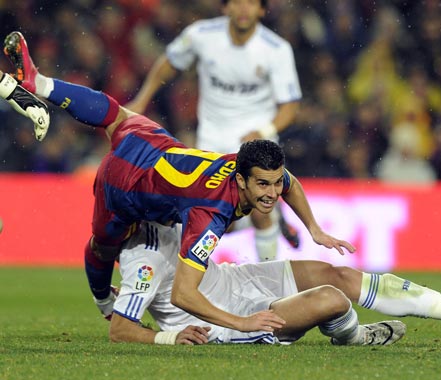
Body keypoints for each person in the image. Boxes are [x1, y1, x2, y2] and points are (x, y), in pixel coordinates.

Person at [0, 30, 354, 335]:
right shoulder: (214, 207)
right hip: (127, 184)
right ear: (245, 181)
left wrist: (313, 228)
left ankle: (41, 83)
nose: (272, 191)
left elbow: (286, 184)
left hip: (155, 146)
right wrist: (310, 230)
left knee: (115, 115)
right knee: (103, 244)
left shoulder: (242, 166)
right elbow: (183, 293)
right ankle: (105, 302)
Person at [110, 221, 441, 345]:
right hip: (229, 319)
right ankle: (354, 338)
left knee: (336, 274)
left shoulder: (160, 214)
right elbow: (120, 329)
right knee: (332, 300)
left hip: (238, 277)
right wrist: (168, 337)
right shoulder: (141, 258)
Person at [126, 0, 302, 262]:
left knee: (261, 211)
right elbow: (169, 62)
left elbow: (290, 106)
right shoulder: (201, 35)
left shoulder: (276, 49)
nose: (244, 8)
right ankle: (275, 218)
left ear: (262, 10)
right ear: (225, 8)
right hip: (212, 142)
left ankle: (272, 283)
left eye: (251, 3)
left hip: (258, 142)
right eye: (237, 2)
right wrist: (142, 100)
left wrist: (264, 129)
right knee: (221, 220)